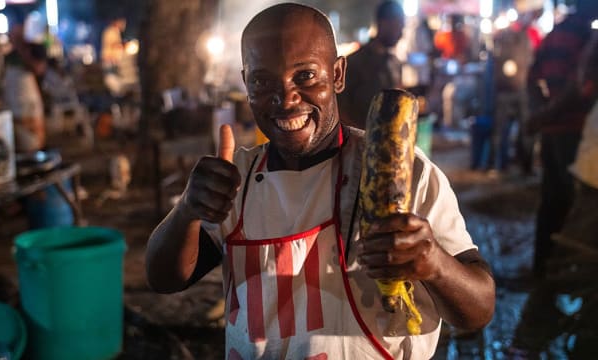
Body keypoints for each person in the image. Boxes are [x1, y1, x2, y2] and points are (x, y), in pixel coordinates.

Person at [146, 4, 495, 359]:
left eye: (305, 76)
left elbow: (478, 310)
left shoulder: (405, 175)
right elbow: (164, 279)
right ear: (246, 82)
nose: (285, 98)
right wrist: (187, 210)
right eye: (263, 81)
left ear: (338, 74)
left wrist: (434, 262)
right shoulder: (235, 180)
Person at [525, 0, 597, 277]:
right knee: (569, 206)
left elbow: (532, 77)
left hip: (554, 130)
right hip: (572, 132)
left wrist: (539, 112)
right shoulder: (582, 36)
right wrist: (545, 114)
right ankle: (558, 274)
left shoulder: (557, 33)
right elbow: (579, 88)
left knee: (551, 201)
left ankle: (542, 269)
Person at [489, 0, 542, 173]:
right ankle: (498, 164)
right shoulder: (503, 35)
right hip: (508, 89)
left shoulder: (529, 34)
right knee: (501, 128)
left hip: (520, 89)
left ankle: (522, 165)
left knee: (523, 129)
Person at [338, 0, 405, 129]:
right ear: (383, 23)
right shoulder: (354, 63)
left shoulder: (395, 63)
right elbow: (340, 110)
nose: (401, 32)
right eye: (398, 25)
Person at [3, 11, 48, 153]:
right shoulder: (9, 52)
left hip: (28, 97)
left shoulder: (34, 45)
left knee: (32, 139)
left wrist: (21, 48)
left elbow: (39, 68)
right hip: (13, 96)